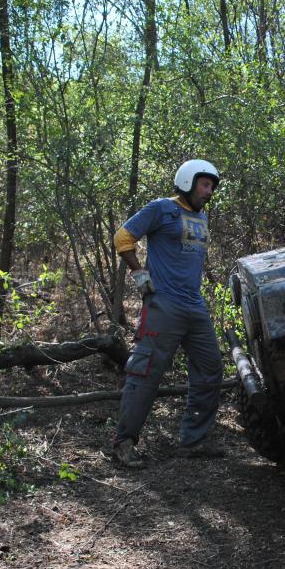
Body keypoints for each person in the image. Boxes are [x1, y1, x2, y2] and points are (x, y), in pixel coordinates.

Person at [110, 159, 225, 468]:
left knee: (211, 368)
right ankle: (123, 445)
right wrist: (139, 272)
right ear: (187, 181)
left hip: (194, 307)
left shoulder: (201, 217)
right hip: (163, 306)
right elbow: (122, 237)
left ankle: (193, 441)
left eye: (212, 186)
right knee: (146, 371)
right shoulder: (162, 208)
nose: (209, 191)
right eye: (205, 184)